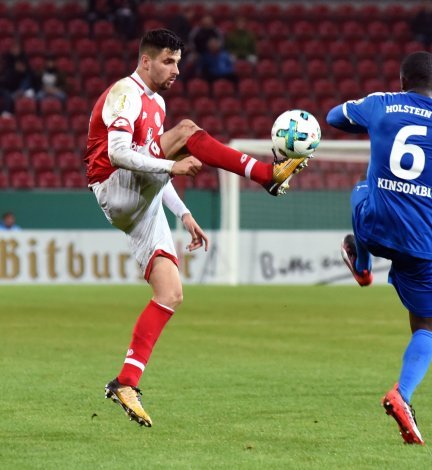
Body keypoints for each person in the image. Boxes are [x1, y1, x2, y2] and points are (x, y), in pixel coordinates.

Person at [85, 29, 311, 427]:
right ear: (146, 61)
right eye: (169, 61)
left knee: (170, 293)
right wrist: (172, 165)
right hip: (114, 187)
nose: (177, 70)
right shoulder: (126, 93)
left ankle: (126, 382)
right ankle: (265, 174)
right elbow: (121, 154)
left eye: (178, 62)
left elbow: (150, 163)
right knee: (189, 131)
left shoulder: (156, 103)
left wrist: (184, 213)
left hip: (141, 204)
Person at [327, 51, 432, 445]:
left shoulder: (381, 103)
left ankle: (363, 265)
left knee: (361, 189)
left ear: (401, 80)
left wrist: (371, 125)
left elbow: (333, 116)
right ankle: (402, 394)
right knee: (427, 327)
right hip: (422, 242)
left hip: (376, 226)